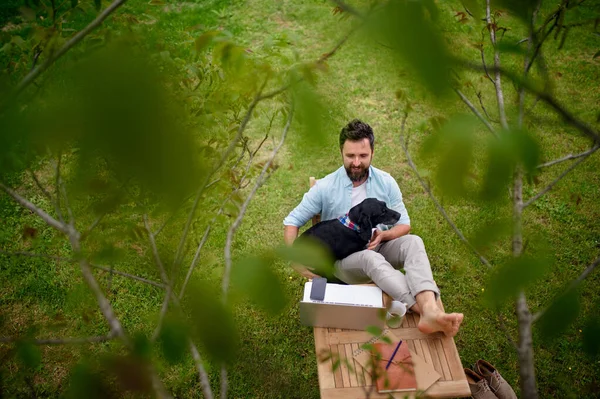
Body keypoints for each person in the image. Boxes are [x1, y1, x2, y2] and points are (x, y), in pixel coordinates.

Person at [283, 119, 463, 337]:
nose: (356, 162)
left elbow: (404, 224)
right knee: (371, 259)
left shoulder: (386, 182)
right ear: (341, 152)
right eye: (350, 156)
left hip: (378, 245)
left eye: (363, 156)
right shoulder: (326, 187)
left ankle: (430, 310)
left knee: (414, 242)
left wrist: (384, 235)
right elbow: (292, 221)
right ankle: (425, 310)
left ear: (372, 153)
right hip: (342, 260)